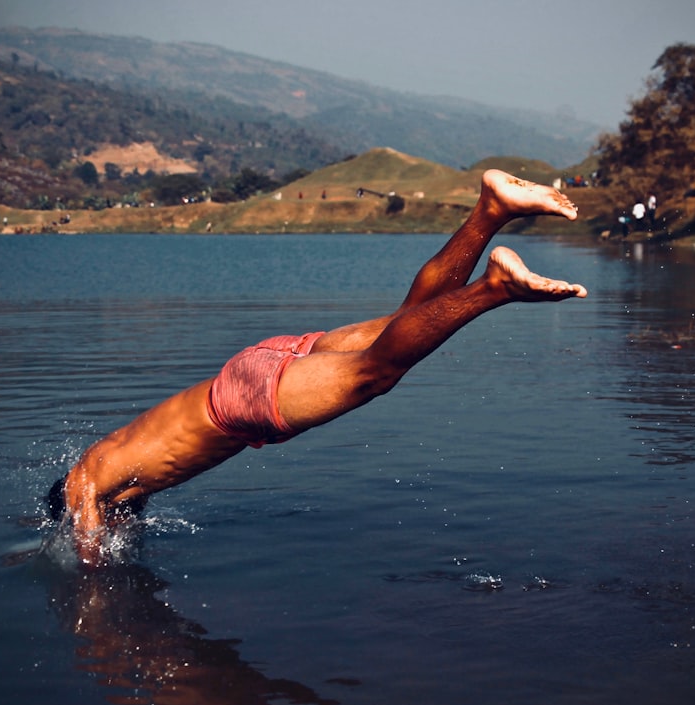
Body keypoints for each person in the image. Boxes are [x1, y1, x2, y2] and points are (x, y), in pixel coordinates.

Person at [50, 169, 588, 564]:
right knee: (408, 321)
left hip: (239, 404)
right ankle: (491, 209)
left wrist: (86, 581)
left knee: (375, 374)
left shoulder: (85, 482)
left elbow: (89, 539)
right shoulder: (119, 467)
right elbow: (134, 486)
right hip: (252, 368)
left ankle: (493, 289)